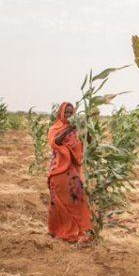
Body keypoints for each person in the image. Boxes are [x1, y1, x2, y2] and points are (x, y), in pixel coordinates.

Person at [47, 102, 93, 243]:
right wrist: (69, 129)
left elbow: (88, 142)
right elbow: (56, 142)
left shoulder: (77, 130)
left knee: (79, 200)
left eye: (70, 113)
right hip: (59, 171)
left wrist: (86, 129)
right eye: (66, 113)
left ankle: (84, 232)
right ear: (60, 114)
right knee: (59, 203)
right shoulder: (55, 128)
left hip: (73, 171)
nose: (68, 115)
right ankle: (58, 230)